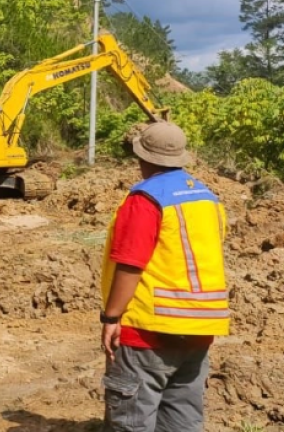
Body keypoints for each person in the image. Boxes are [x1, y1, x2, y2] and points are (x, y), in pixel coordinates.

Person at [99, 121, 230, 432]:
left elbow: (130, 263)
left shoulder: (145, 199)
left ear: (142, 158)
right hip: (200, 327)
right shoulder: (207, 198)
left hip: (149, 329)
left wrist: (111, 316)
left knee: (131, 418)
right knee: (181, 418)